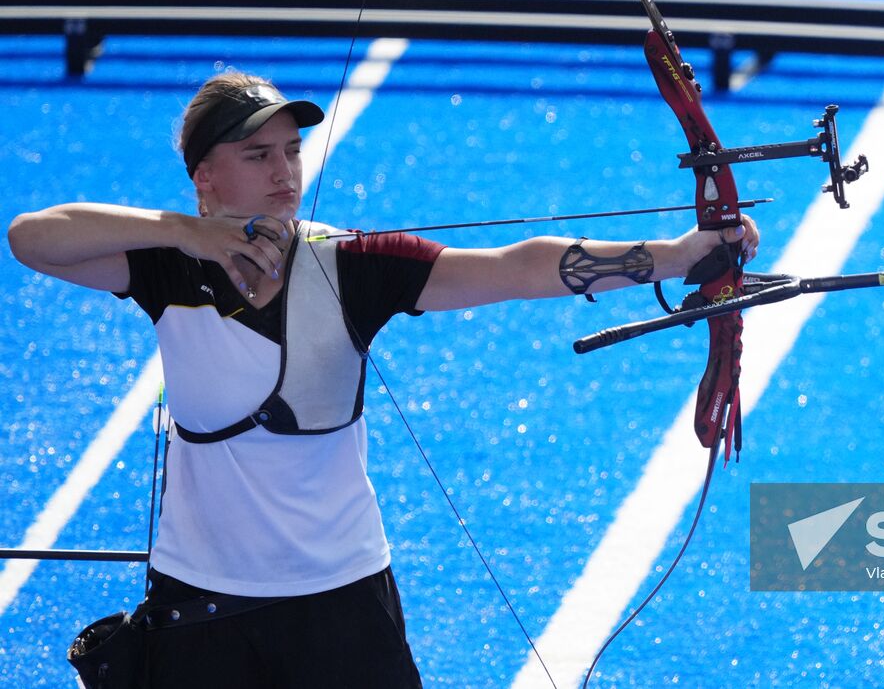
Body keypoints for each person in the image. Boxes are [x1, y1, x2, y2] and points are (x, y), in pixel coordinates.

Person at [8, 70, 758, 688]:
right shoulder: (164, 267)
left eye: (292, 151)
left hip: (339, 603)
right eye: (257, 154)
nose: (284, 171)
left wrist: (678, 253)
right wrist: (184, 230)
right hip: (202, 603)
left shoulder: (351, 266)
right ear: (205, 177)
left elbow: (515, 268)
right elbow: (30, 237)